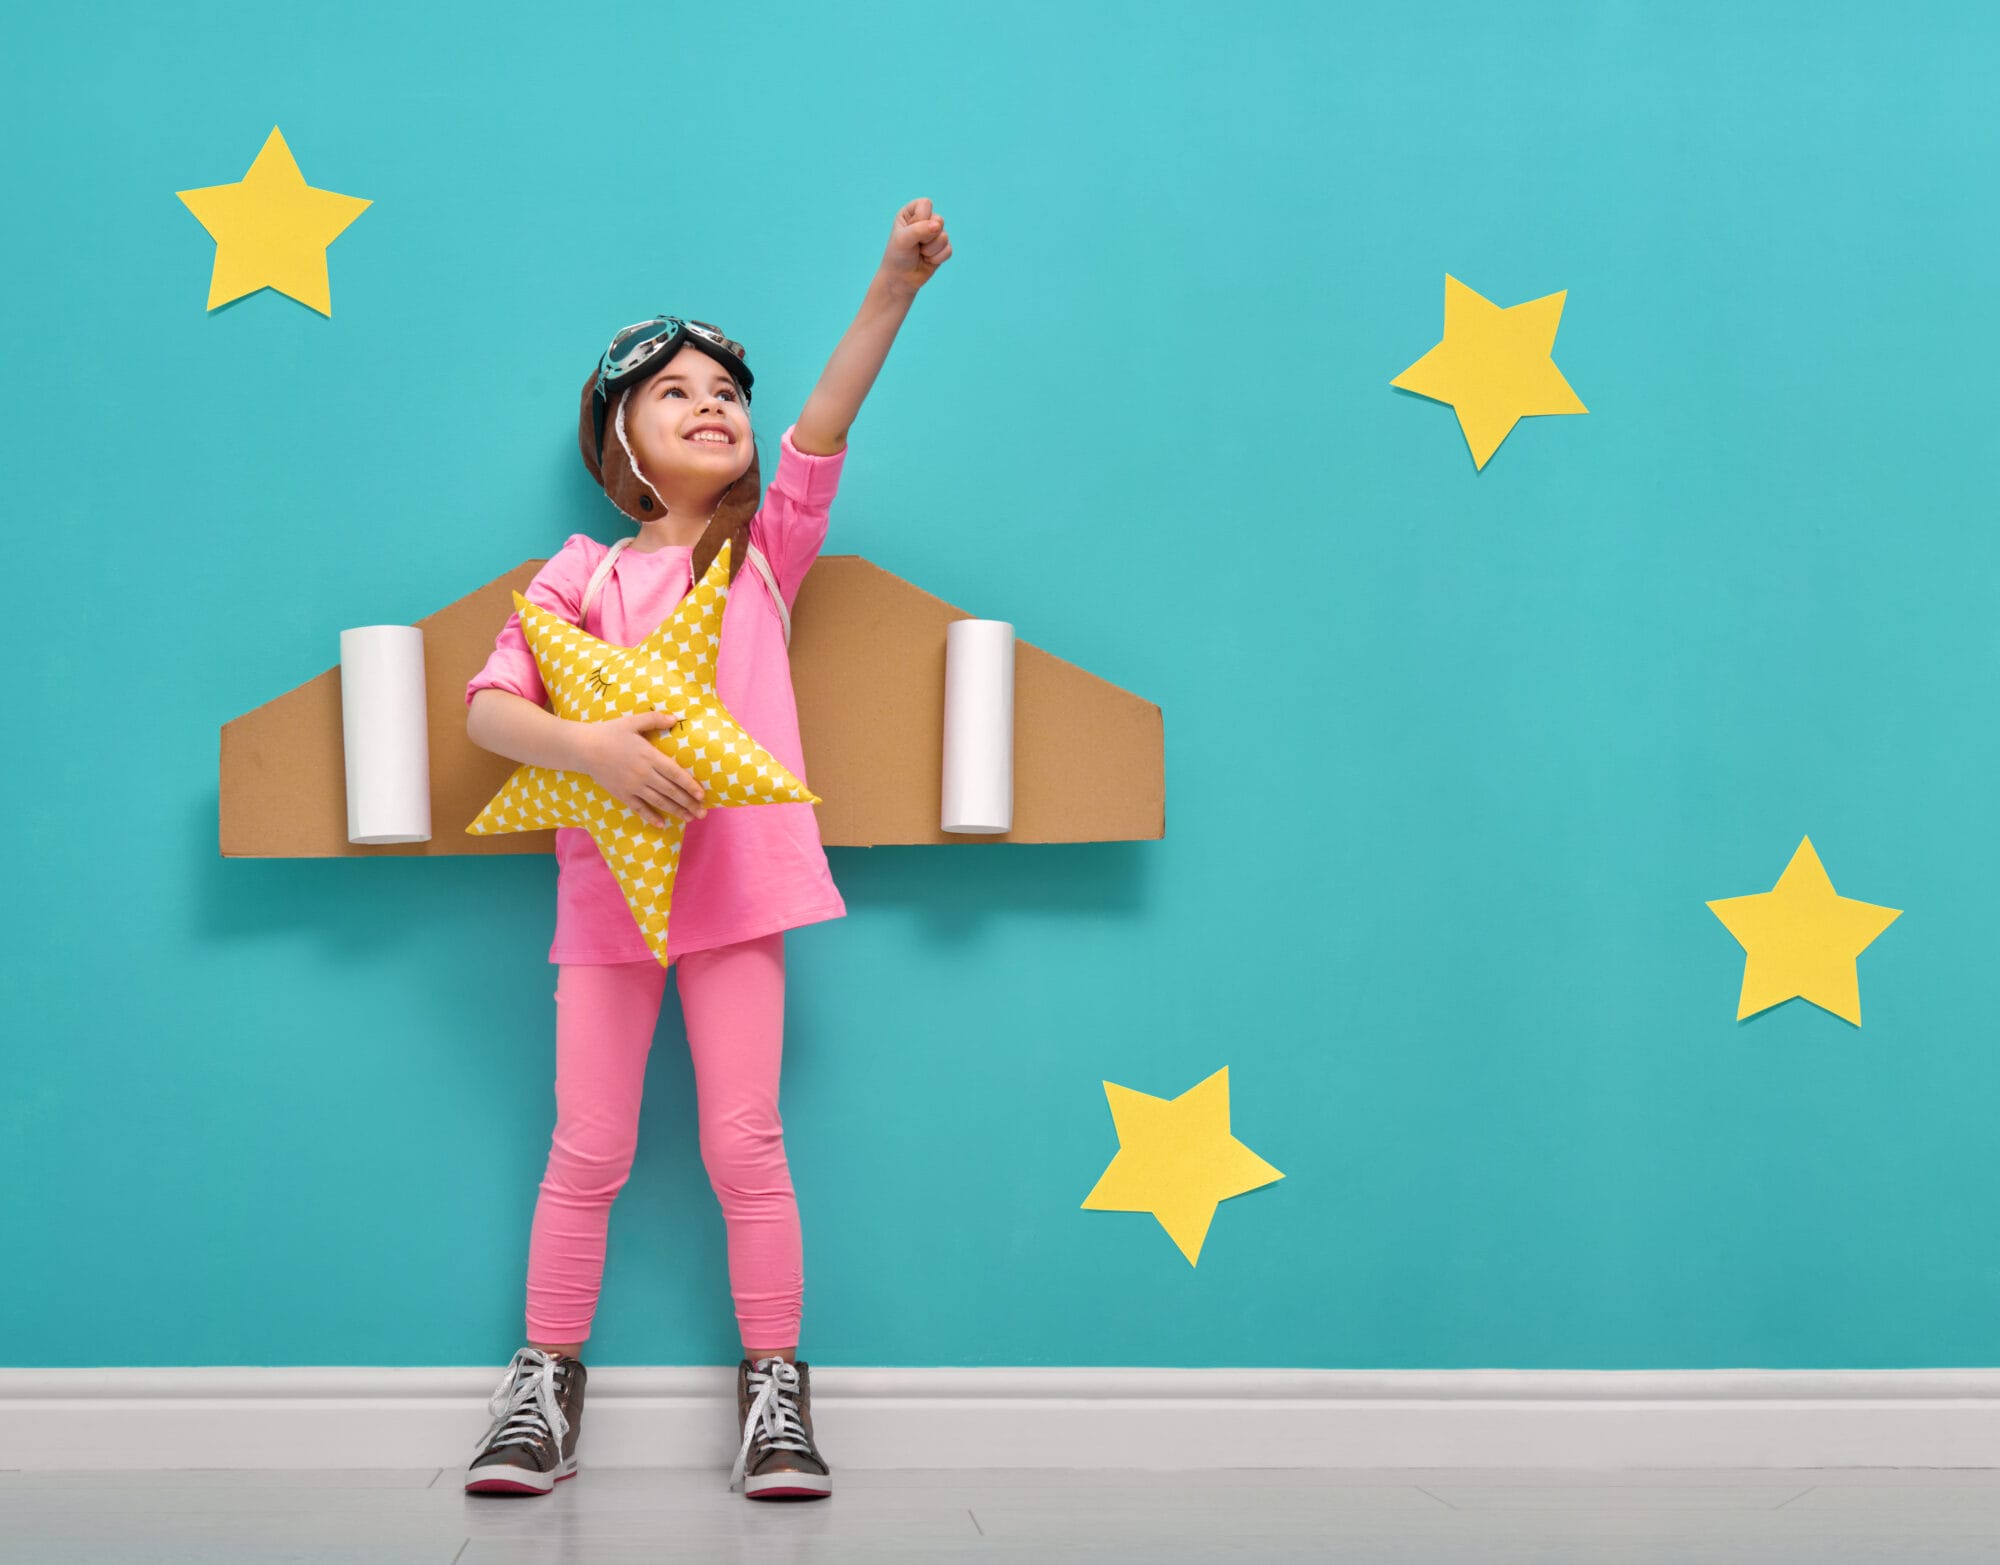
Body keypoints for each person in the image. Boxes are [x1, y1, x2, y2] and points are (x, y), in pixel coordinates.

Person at [457, 200, 954, 1501]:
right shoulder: (575, 575)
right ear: (622, 437)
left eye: (728, 388)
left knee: (747, 1142)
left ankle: (775, 1389)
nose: (714, 403)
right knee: (588, 1146)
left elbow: (827, 419)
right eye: (677, 389)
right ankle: (544, 1386)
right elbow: (492, 708)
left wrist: (891, 289)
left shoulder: (765, 550)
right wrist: (602, 752)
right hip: (605, 903)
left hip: (738, 895)